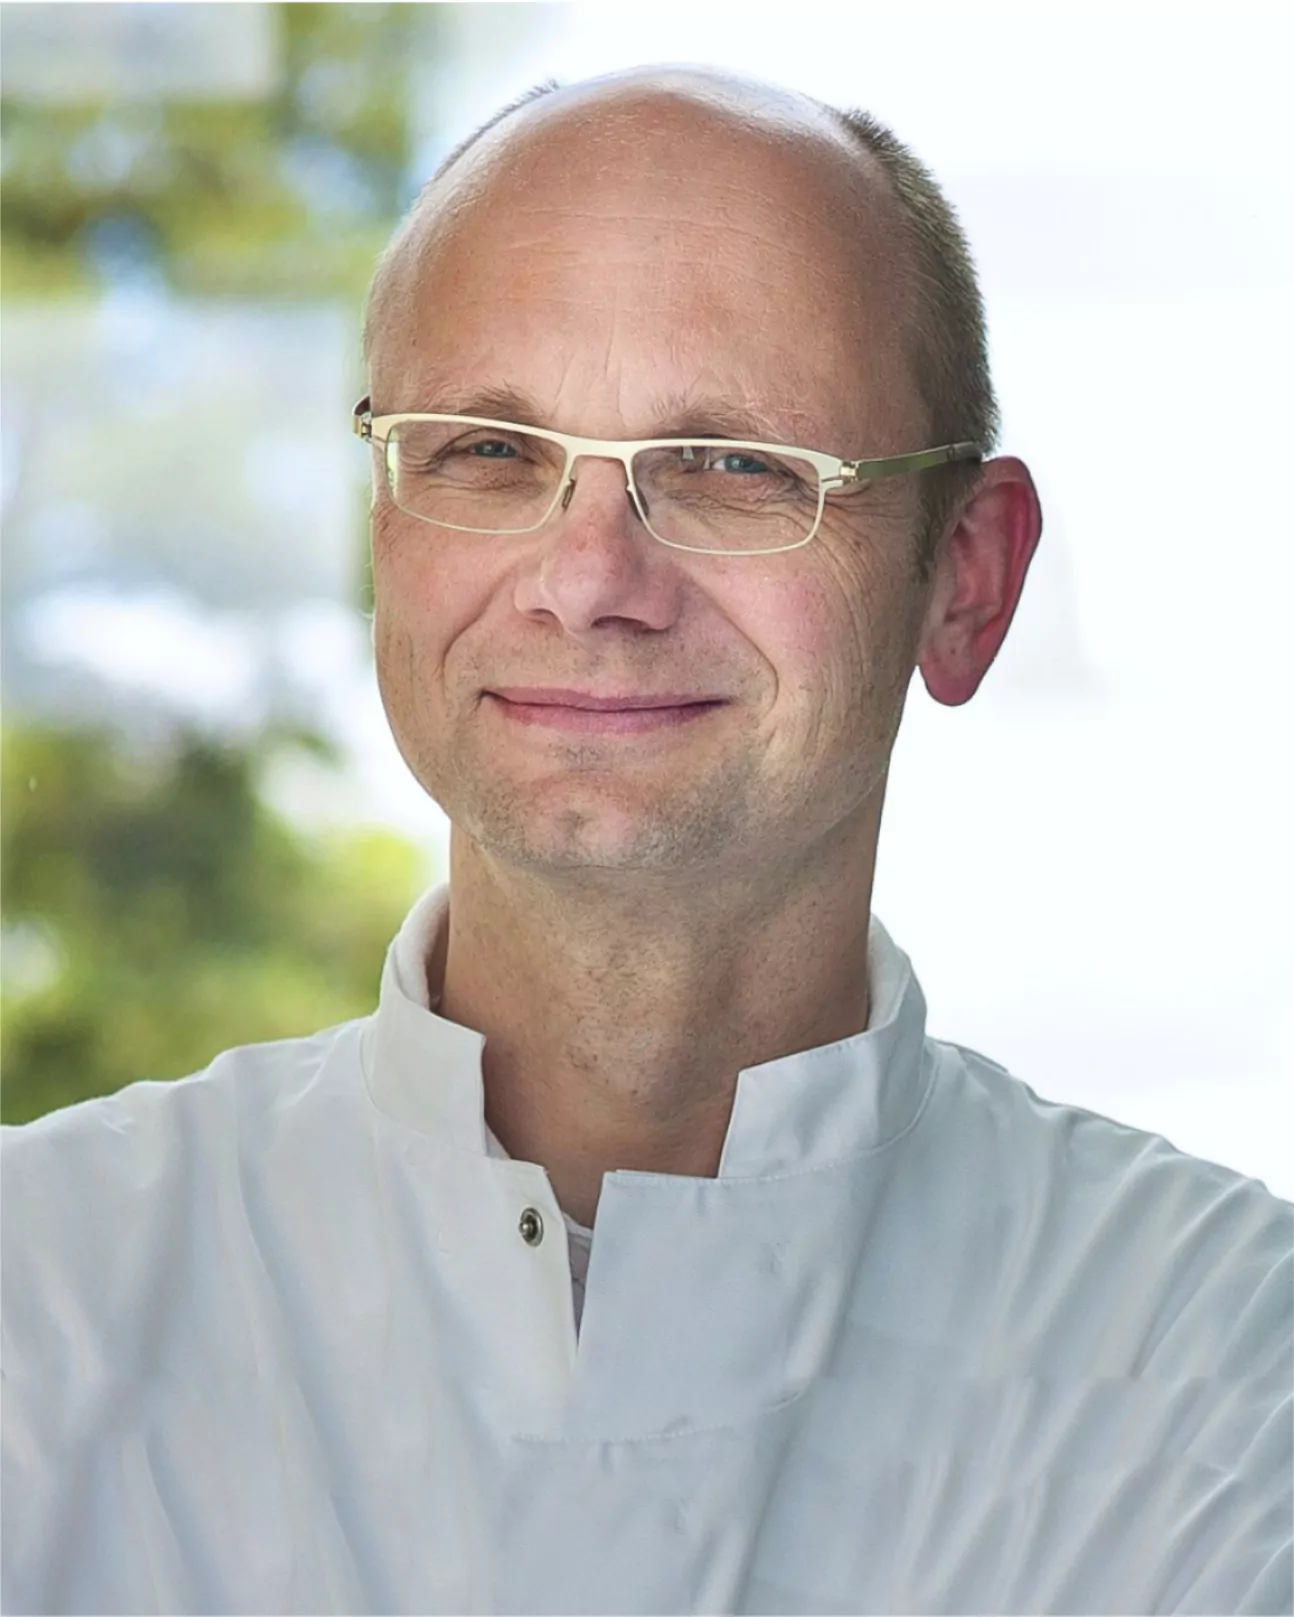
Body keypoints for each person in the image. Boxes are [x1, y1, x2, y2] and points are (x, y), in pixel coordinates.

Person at [2, 64, 1289, 1617]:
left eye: (737, 466)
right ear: (380, 530)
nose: (587, 578)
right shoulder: (41, 1297)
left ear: (965, 579)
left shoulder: (1224, 1370)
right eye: (485, 450)